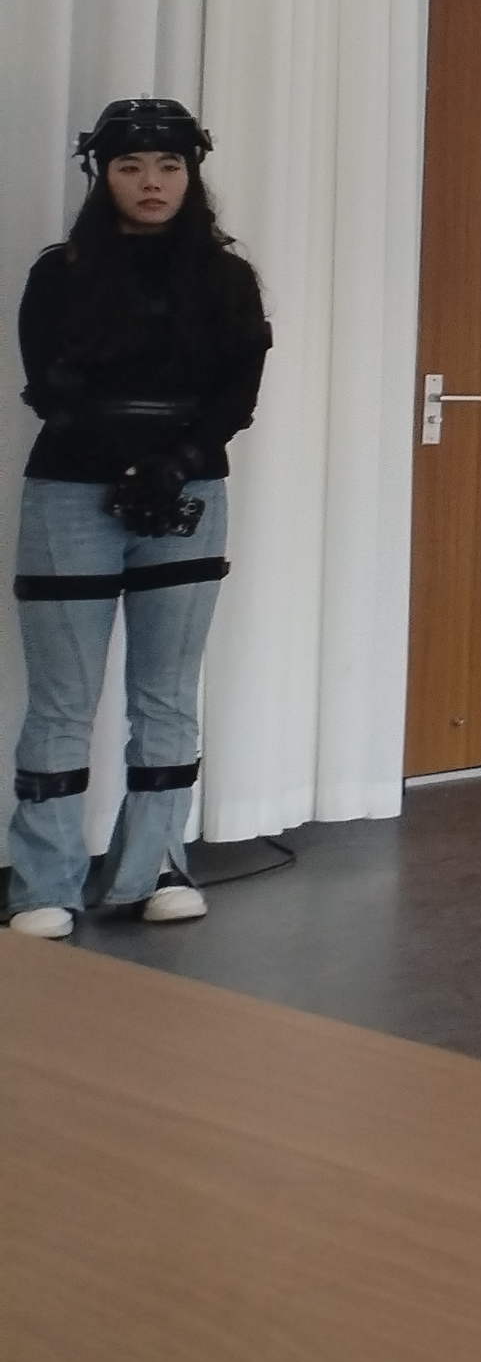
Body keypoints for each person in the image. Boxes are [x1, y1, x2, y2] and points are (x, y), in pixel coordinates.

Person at [11, 97, 271, 939]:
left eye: (168, 166)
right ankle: (42, 885)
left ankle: (153, 867)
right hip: (71, 490)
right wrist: (127, 463)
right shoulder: (61, 273)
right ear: (104, 174)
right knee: (62, 702)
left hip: (189, 491)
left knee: (165, 695)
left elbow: (235, 394)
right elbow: (49, 386)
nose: (151, 182)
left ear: (191, 174)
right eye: (131, 166)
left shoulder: (228, 279)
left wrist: (175, 464)